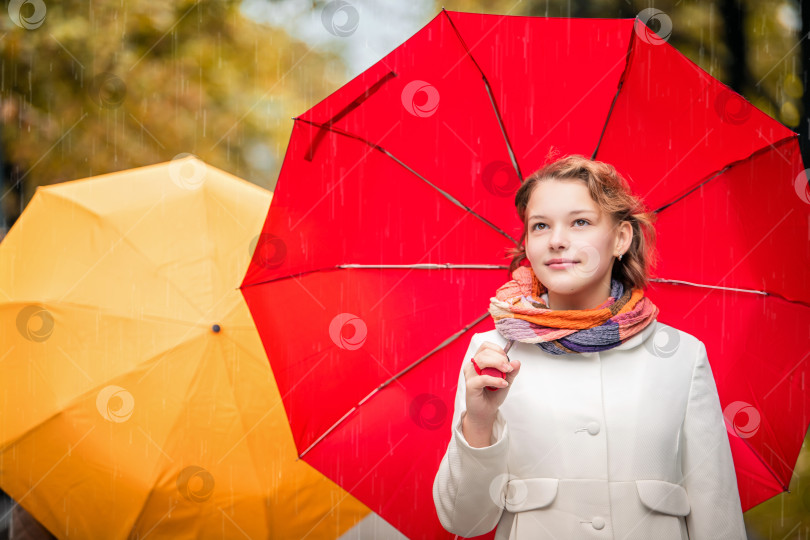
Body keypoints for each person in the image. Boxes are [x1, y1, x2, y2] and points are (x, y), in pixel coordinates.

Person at [432, 154, 747, 539]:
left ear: (620, 238)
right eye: (540, 226)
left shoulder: (681, 355)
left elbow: (717, 511)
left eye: (580, 222)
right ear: (528, 244)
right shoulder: (494, 353)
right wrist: (479, 423)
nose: (557, 240)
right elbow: (463, 520)